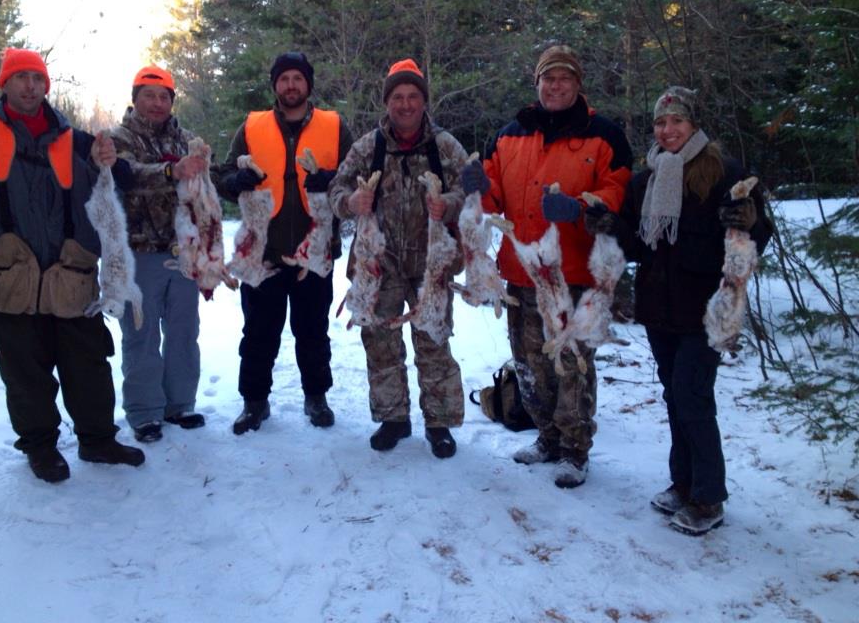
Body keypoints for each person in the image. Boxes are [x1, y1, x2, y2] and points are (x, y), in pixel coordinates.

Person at [0, 48, 145, 483]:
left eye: (37, 78)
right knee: (25, 372)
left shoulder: (79, 142)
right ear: (4, 84)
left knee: (89, 364)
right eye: (20, 77)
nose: (30, 86)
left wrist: (112, 162)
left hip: (72, 278)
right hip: (10, 280)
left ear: (47, 86)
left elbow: (120, 184)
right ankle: (41, 448)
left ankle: (98, 439)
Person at [584, 86, 772, 534]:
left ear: (694, 124)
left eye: (677, 122)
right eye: (661, 123)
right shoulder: (647, 179)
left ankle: (709, 498)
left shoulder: (724, 173)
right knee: (674, 395)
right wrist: (610, 227)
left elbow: (759, 234)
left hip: (704, 307)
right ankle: (683, 482)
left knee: (692, 397)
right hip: (659, 307)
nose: (668, 130)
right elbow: (636, 243)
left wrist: (749, 221)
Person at [461, 44, 633, 486]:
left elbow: (618, 192)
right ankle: (547, 436)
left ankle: (575, 449)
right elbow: (493, 195)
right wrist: (480, 187)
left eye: (564, 78)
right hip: (521, 270)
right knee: (530, 362)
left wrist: (580, 208)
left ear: (578, 84)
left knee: (571, 365)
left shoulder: (604, 135)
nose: (555, 86)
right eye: (547, 79)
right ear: (536, 84)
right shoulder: (509, 134)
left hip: (573, 273)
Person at [330, 59, 467, 459]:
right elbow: (336, 190)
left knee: (434, 343)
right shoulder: (368, 146)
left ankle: (439, 424)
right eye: (397, 97)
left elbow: (473, 189)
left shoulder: (444, 145)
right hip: (379, 267)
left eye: (413, 97)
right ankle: (393, 418)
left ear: (424, 101)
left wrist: (451, 203)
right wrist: (351, 201)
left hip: (432, 265)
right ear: (387, 102)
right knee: (381, 344)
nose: (405, 105)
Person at [214, 52, 353, 434]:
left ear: (308, 83)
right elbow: (223, 173)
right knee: (258, 333)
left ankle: (316, 397)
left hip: (315, 251)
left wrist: (331, 180)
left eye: (297, 78)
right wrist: (233, 183)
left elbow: (358, 175)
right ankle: (254, 403)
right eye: (284, 79)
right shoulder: (252, 126)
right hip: (264, 253)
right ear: (274, 85)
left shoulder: (335, 126)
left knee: (313, 332)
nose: (291, 85)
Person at [106, 66, 209, 443]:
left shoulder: (187, 140)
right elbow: (127, 175)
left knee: (184, 332)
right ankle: (145, 412)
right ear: (135, 99)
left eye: (164, 96)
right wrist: (172, 172)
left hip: (184, 252)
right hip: (137, 253)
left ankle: (180, 403)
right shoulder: (116, 139)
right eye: (149, 95)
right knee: (141, 333)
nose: (157, 103)